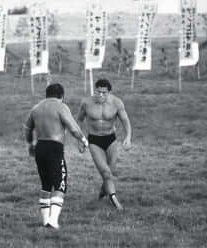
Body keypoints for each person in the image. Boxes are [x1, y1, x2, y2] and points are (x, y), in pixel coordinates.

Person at [23, 83, 89, 229]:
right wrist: (83, 140)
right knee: (60, 183)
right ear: (62, 96)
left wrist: (30, 144)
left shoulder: (36, 108)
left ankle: (46, 221)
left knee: (46, 184)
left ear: (46, 94)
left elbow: (27, 128)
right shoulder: (61, 107)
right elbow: (73, 127)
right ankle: (53, 221)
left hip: (40, 147)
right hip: (55, 148)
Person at [77, 78, 132, 211]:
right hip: (94, 140)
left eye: (104, 93)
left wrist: (128, 137)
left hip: (111, 139)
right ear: (94, 90)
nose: (100, 95)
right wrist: (80, 139)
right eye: (98, 92)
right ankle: (116, 203)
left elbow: (125, 121)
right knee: (106, 173)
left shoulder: (116, 103)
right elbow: (79, 120)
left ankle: (103, 190)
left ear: (109, 93)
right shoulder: (86, 103)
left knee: (110, 172)